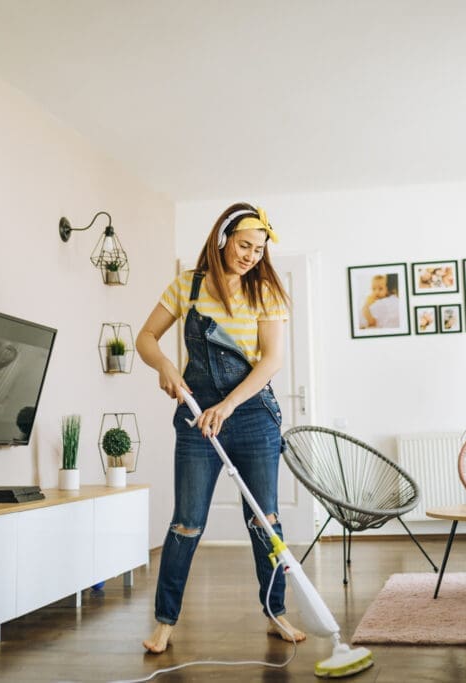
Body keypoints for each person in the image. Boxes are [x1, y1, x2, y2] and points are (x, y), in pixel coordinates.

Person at [136, 202, 305, 654]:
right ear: (223, 239)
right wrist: (166, 368)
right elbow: (145, 338)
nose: (252, 255)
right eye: (245, 245)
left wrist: (228, 405)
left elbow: (271, 361)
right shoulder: (187, 287)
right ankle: (165, 621)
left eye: (259, 249)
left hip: (251, 415)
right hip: (197, 418)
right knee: (187, 522)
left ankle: (276, 612)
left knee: (264, 520)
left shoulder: (266, 290)